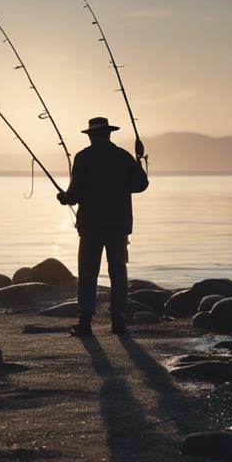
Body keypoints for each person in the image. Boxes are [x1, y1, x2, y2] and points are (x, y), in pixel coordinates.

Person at [57, 117, 149, 336]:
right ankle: (119, 321)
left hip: (90, 225)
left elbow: (75, 194)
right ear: (109, 133)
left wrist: (64, 198)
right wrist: (138, 162)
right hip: (118, 225)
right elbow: (141, 185)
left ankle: (85, 322)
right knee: (118, 271)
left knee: (88, 273)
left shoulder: (83, 157)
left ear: (90, 135)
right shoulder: (123, 156)